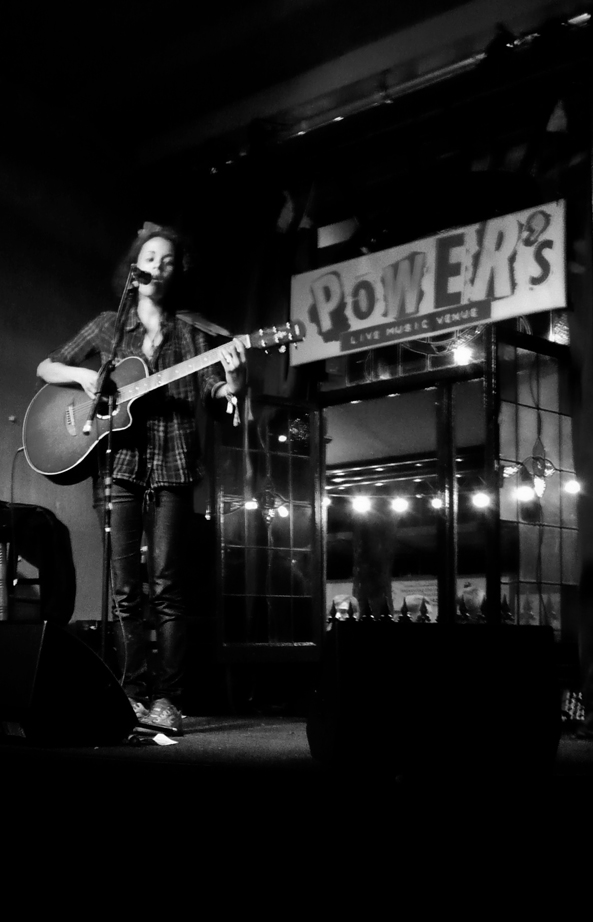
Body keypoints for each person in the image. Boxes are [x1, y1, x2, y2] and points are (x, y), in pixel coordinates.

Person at [36, 223, 247, 734]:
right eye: (150, 257)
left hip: (173, 465)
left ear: (178, 273)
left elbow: (218, 395)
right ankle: (130, 695)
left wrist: (234, 380)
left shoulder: (194, 334)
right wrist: (86, 376)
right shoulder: (109, 327)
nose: (157, 265)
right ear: (136, 265)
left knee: (168, 587)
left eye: (168, 260)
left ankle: (168, 699)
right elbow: (47, 367)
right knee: (126, 591)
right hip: (119, 466)